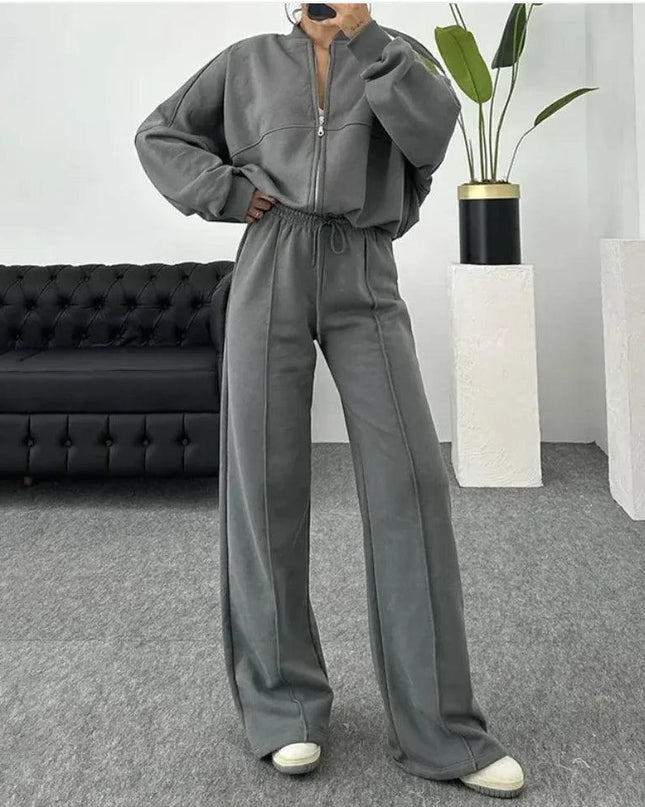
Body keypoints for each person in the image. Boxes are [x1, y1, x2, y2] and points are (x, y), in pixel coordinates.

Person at [133, 2, 525, 799]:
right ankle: (284, 708)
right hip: (269, 261)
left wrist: (364, 35)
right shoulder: (245, 61)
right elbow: (159, 134)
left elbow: (429, 135)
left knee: (409, 483)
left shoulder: (395, 53)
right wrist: (225, 190)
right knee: (265, 487)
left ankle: (441, 728)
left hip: (362, 264)